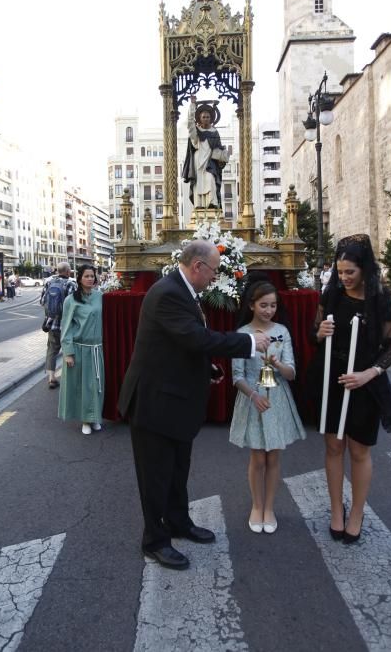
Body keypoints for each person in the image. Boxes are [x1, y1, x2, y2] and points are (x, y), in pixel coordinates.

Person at [118, 240, 271, 571]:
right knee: (156, 477)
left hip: (174, 399)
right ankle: (155, 540)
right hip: (154, 402)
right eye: (214, 271)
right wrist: (248, 341)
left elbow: (178, 345)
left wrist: (209, 368)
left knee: (177, 471)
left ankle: (178, 522)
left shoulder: (183, 291)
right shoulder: (168, 293)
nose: (216, 277)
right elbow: (195, 338)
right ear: (198, 267)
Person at [311, 234, 391, 544]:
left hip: (365, 382)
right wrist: (320, 333)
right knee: (334, 445)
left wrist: (368, 374)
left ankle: (357, 512)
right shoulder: (331, 295)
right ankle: (337, 509)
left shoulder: (380, 300)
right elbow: (316, 332)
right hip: (332, 378)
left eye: (350, 272)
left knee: (359, 449)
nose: (344, 278)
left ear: (364, 269)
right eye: (339, 272)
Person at [230, 281, 306, 534]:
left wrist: (276, 364)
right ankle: (256, 505)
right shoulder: (242, 333)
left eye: (273, 305)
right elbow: (237, 376)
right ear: (251, 305)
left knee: (273, 456)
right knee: (257, 458)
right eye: (263, 305)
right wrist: (253, 395)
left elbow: (292, 372)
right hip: (254, 399)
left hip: (277, 398)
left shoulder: (282, 331)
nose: (269, 310)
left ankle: (270, 507)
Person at [58, 264, 104, 435]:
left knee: (97, 385)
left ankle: (95, 417)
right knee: (84, 387)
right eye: (86, 276)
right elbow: (66, 327)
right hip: (80, 349)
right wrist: (68, 353)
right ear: (79, 278)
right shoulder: (71, 300)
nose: (90, 279)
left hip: (97, 349)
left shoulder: (100, 297)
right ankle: (85, 419)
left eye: (92, 276)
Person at [182, 96, 228, 209]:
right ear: (200, 118)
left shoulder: (214, 132)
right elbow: (190, 125)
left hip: (210, 162)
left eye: (208, 117)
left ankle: (212, 203)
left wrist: (222, 157)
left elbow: (219, 147)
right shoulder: (196, 131)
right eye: (204, 117)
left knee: (211, 179)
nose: (206, 118)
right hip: (198, 161)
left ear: (211, 118)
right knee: (198, 184)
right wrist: (192, 106)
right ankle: (199, 205)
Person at [40, 262, 77, 389]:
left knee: (52, 350)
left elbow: (42, 301)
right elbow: (75, 305)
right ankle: (69, 380)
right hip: (67, 325)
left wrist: (49, 316)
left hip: (52, 324)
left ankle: (51, 378)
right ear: (68, 272)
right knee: (69, 350)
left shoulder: (49, 282)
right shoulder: (71, 284)